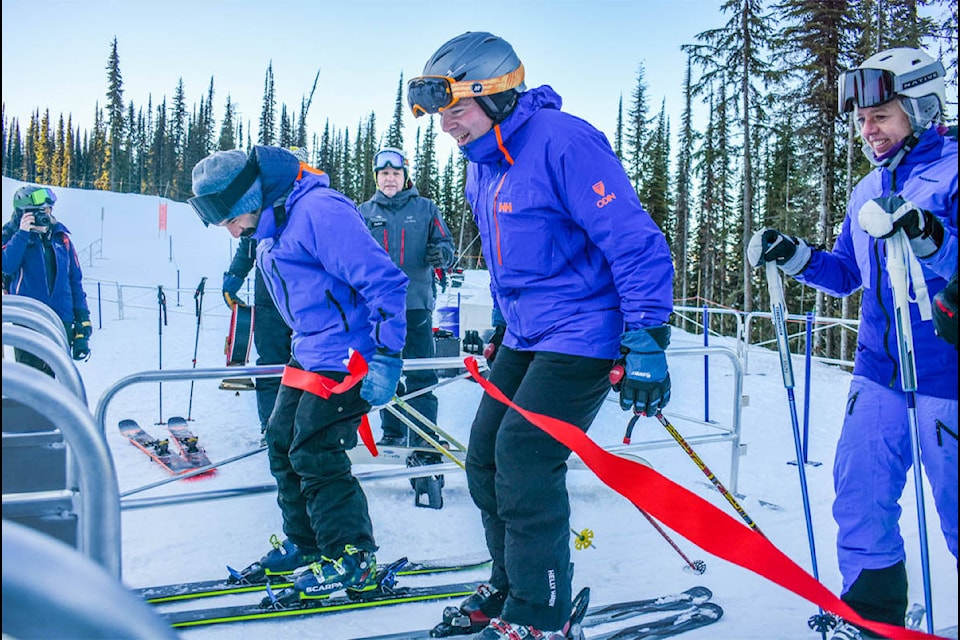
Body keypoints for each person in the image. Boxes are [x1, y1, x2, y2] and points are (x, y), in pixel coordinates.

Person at [408, 32, 674, 639]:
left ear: (497, 93)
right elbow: (511, 262)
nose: (446, 125)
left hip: (585, 331)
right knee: (483, 457)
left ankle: (541, 613)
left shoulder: (564, 142)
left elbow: (634, 242)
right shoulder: (484, 164)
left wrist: (647, 337)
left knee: (526, 460)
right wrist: (504, 324)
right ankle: (511, 583)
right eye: (439, 114)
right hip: (530, 334)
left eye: (456, 108)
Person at [748, 46, 957, 640]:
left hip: (947, 368)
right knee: (859, 494)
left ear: (921, 107)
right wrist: (798, 258)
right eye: (862, 121)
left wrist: (925, 232)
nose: (869, 131)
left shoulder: (955, 172)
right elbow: (849, 272)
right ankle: (872, 617)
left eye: (882, 116)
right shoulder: (868, 186)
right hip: (878, 369)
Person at [188, 145, 408, 600]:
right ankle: (309, 545)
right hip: (310, 349)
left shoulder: (320, 212)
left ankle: (353, 557)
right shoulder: (272, 224)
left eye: (229, 219)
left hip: (350, 352)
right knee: (282, 441)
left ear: (249, 199)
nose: (231, 233)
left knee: (315, 449)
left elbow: (384, 281)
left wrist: (387, 354)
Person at [358, 147, 456, 450]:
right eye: (384, 174)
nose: (390, 179)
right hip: (377, 311)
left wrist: (441, 254)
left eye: (395, 174)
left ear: (405, 177)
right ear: (377, 178)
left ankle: (424, 438)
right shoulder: (364, 212)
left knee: (421, 376)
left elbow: (447, 246)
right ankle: (393, 432)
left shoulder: (425, 209)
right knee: (384, 374)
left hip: (416, 306)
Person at [2, 185, 92, 373]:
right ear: (24, 213)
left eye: (48, 210)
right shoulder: (11, 236)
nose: (46, 216)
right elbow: (6, 265)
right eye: (40, 211)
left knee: (57, 379)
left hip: (61, 320)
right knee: (31, 379)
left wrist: (82, 319)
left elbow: (75, 281)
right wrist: (23, 234)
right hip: (28, 319)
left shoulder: (61, 238)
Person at [221, 235, 292, 443]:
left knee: (308, 367)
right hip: (268, 304)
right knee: (270, 367)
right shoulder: (261, 211)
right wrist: (233, 278)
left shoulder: (306, 208)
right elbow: (248, 243)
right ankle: (271, 427)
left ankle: (305, 428)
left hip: (307, 302)